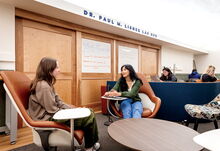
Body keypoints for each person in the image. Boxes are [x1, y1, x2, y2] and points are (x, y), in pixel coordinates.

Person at [28, 57, 100, 151]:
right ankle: (90, 147)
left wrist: (76, 110)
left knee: (89, 111)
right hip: (47, 118)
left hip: (52, 114)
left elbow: (59, 102)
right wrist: (73, 113)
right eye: (57, 67)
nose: (59, 69)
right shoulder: (43, 86)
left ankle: (92, 144)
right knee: (89, 117)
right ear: (49, 70)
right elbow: (52, 110)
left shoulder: (48, 84)